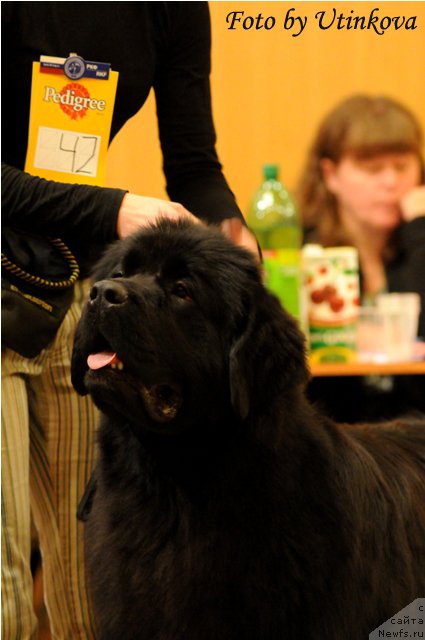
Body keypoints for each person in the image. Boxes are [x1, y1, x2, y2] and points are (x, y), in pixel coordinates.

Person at [1, 4, 256, 639]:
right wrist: (114, 209)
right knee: (3, 590)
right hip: (56, 256)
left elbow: (195, 166)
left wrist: (230, 235)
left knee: (89, 580)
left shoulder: (170, 8)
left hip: (69, 284)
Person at [296, 94, 425, 422]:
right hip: (336, 435)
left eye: (401, 166)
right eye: (372, 169)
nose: (390, 182)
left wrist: (420, 233)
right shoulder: (305, 252)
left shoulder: (419, 242)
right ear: (331, 174)